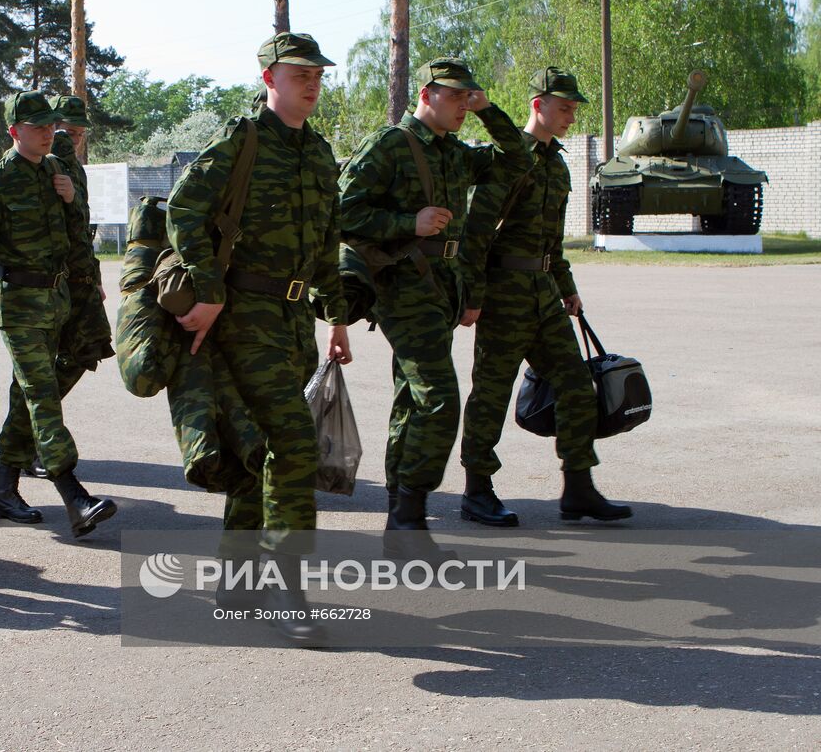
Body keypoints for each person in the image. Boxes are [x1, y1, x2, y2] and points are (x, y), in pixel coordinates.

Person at [167, 32, 351, 644]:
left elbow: (327, 242)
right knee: (294, 444)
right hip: (244, 317)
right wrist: (210, 288)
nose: (313, 81)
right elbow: (183, 211)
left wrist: (337, 316)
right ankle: (286, 587)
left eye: (318, 73)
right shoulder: (241, 141)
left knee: (258, 455)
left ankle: (237, 583)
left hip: (296, 322)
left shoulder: (320, 154)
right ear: (270, 78)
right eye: (300, 73)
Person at [340, 57, 530, 548]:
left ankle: (401, 513)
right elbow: (341, 213)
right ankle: (410, 511)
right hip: (402, 287)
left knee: (412, 399)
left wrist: (489, 110)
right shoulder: (389, 145)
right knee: (439, 398)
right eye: (455, 96)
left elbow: (518, 160)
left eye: (469, 95)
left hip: (441, 287)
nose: (463, 104)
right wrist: (410, 223)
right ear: (426, 95)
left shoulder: (455, 152)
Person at [458, 66, 632, 525]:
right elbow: (476, 231)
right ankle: (477, 490)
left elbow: (552, 242)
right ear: (539, 105)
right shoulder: (508, 157)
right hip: (503, 296)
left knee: (576, 386)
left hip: (544, 295)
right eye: (565, 107)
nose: (571, 116)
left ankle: (578, 487)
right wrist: (473, 295)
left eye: (575, 108)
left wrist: (567, 289)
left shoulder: (556, 162)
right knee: (491, 394)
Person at [0, 90, 116, 537]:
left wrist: (71, 201)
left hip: (59, 299)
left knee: (28, 393)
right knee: (41, 393)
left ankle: (3, 490)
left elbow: (77, 236)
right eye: (37, 127)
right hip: (19, 302)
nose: (48, 134)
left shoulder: (59, 172)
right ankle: (73, 494)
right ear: (13, 132)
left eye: (51, 126)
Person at [1, 93, 114, 481]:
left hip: (68, 283)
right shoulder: (41, 161)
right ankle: (34, 449)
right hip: (40, 288)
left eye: (80, 133)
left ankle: (25, 444)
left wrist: (91, 277)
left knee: (66, 363)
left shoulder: (64, 163)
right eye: (68, 130)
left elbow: (77, 227)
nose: (73, 139)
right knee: (41, 380)